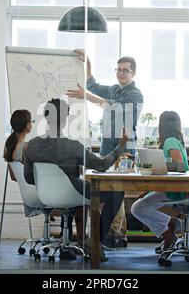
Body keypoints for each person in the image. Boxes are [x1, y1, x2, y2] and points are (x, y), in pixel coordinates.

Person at [23, 98, 127, 261]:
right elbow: (101, 165)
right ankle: (94, 240)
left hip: (45, 195)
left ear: (46, 117)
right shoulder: (73, 146)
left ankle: (68, 244)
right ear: (65, 119)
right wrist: (121, 145)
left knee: (78, 192)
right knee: (117, 192)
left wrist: (50, 183)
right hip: (73, 193)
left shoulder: (31, 145)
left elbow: (29, 178)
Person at [67, 49, 143, 248]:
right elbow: (92, 84)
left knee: (116, 195)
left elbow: (112, 107)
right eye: (118, 69)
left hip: (124, 153)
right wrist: (88, 62)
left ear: (133, 73)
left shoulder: (135, 94)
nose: (120, 73)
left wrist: (86, 97)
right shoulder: (115, 89)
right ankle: (105, 237)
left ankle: (106, 237)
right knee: (108, 194)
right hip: (106, 152)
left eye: (125, 70)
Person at [130, 111, 189, 251]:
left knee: (137, 208)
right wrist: (147, 190)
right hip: (174, 187)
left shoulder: (170, 141)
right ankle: (170, 226)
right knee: (139, 206)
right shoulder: (176, 141)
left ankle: (168, 230)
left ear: (162, 126)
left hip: (175, 189)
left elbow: (179, 165)